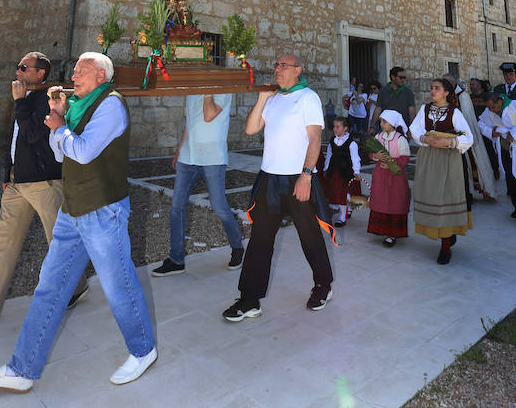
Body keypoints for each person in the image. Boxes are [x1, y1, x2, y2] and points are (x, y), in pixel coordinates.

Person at [0, 53, 156, 393]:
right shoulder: (79, 106)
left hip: (103, 211)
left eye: (81, 71)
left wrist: (59, 126)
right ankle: (22, 370)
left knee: (119, 286)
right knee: (49, 288)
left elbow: (83, 151)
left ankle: (144, 350)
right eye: (74, 70)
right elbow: (61, 155)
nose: (74, 76)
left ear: (101, 74)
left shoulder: (111, 106)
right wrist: (59, 118)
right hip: (73, 210)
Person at [0, 52, 88, 325]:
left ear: (40, 74)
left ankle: (76, 287)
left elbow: (34, 136)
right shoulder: (23, 99)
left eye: (24, 67)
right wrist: (7, 172)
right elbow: (13, 140)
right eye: (17, 66)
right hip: (16, 183)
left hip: (45, 183)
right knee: (1, 243)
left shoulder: (47, 99)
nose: (18, 71)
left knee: (58, 242)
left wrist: (19, 103)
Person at [222, 53, 334, 322]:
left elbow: (315, 138)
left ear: (298, 70)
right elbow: (251, 129)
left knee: (309, 236)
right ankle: (249, 299)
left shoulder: (308, 97)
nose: (278, 69)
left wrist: (306, 175)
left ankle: (323, 284)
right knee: (260, 239)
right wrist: (262, 98)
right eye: (276, 65)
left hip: (298, 178)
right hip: (270, 179)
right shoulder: (272, 100)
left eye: (284, 65)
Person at [151, 93, 244, 276]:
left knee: (219, 207)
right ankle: (176, 259)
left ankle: (237, 247)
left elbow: (209, 115)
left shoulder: (222, 89)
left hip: (212, 156)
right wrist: (179, 151)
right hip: (188, 156)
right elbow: (190, 122)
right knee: (176, 207)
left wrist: (207, 90)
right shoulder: (193, 90)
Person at [409, 78, 473, 265]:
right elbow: (414, 128)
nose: (432, 91)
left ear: (446, 92)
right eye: (431, 88)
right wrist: (425, 139)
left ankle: (445, 247)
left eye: (436, 88)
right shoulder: (425, 109)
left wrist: (449, 142)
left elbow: (468, 137)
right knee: (433, 197)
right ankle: (445, 236)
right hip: (429, 159)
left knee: (446, 199)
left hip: (448, 160)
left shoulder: (454, 112)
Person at [478, 90, 516, 224]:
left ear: (499, 101)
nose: (491, 110)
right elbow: (481, 123)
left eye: (492, 107)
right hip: (505, 148)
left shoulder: (515, 106)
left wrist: (515, 133)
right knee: (511, 178)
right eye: (488, 108)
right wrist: (490, 131)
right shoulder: (490, 111)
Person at [445, 74, 496, 201]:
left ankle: (470, 192)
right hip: (450, 136)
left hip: (465, 135)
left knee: (471, 161)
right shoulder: (446, 95)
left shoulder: (463, 96)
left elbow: (468, 117)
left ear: (452, 82)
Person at [366, 109, 411, 247]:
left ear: (392, 123)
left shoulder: (400, 139)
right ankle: (380, 229)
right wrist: (375, 156)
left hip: (394, 177)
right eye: (380, 121)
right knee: (381, 199)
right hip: (380, 175)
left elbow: (404, 158)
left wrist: (392, 164)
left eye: (384, 121)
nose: (381, 124)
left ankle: (392, 233)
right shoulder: (379, 137)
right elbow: (370, 152)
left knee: (394, 201)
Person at [321, 116, 361, 226]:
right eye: (334, 126)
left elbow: (355, 158)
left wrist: (356, 171)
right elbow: (329, 155)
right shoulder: (332, 141)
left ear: (345, 128)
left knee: (346, 194)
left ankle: (345, 213)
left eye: (338, 127)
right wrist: (326, 168)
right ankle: (343, 216)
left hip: (346, 172)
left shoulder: (351, 143)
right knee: (339, 193)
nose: (335, 129)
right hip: (335, 172)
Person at [369, 66, 416, 134]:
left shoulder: (408, 92)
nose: (403, 80)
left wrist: (411, 130)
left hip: (402, 129)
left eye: (404, 78)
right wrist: (372, 127)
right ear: (393, 77)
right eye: (400, 77)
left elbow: (412, 112)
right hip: (385, 129)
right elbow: (378, 109)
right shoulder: (383, 91)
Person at [470, 77, 500, 179]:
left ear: (479, 85)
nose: (471, 86)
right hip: (474, 127)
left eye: (473, 84)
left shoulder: (486, 96)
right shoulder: (469, 98)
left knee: (489, 149)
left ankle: (495, 169)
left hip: (487, 128)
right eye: (471, 84)